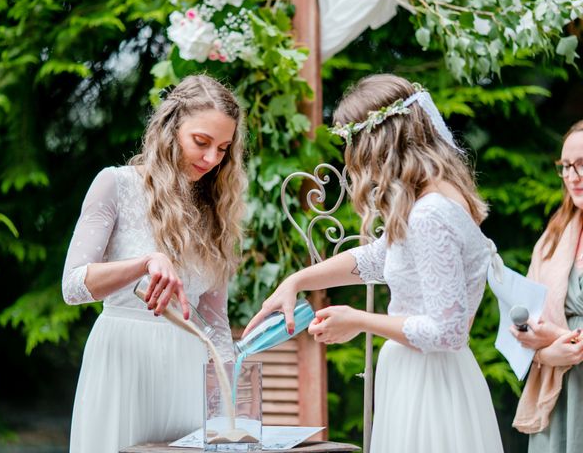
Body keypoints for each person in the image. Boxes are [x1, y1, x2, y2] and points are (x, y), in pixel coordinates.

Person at [243, 74, 504, 453]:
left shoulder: (429, 213)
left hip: (428, 391)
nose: (352, 156)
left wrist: (359, 321)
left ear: (380, 142)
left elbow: (447, 332)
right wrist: (296, 280)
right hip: (423, 378)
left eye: (354, 142)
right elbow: (380, 256)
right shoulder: (435, 196)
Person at [61, 75, 247, 453]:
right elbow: (73, 286)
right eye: (201, 142)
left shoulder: (215, 211)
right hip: (122, 362)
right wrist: (145, 262)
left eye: (223, 148)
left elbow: (214, 320)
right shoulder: (115, 185)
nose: (212, 159)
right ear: (171, 127)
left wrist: (229, 401)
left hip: (187, 370)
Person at [511, 120, 583, 452]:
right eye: (566, 166)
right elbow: (525, 311)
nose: (572, 176)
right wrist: (542, 353)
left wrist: (556, 342)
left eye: (582, 164)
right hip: (558, 389)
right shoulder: (556, 233)